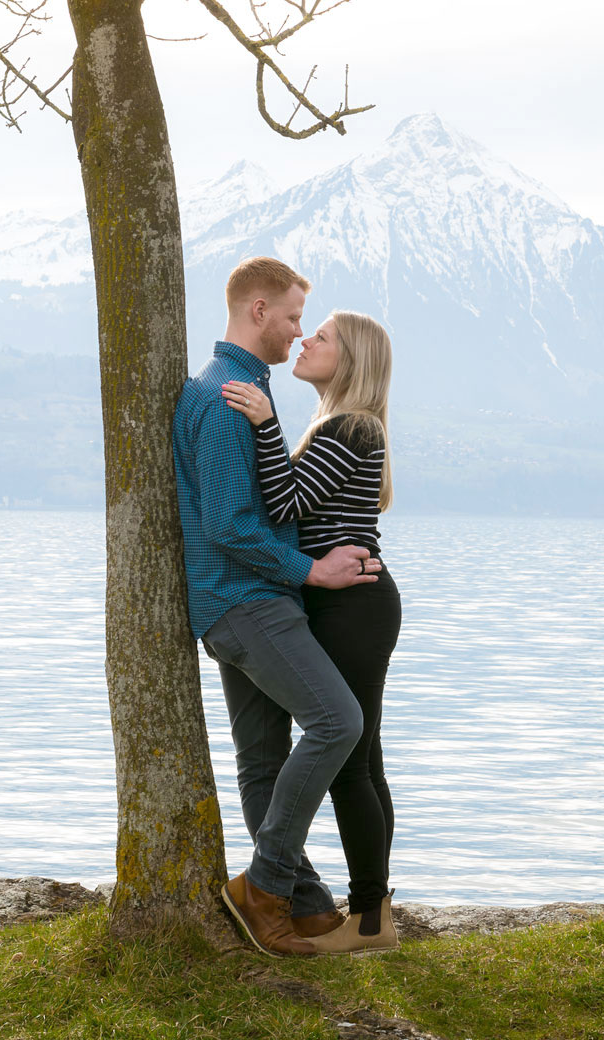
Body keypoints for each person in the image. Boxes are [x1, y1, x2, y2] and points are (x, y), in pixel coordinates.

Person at [170, 256, 382, 958]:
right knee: (337, 721)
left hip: (238, 604)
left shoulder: (244, 390)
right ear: (258, 311)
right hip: (248, 602)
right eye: (292, 316)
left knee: (262, 761)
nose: (297, 333)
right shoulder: (229, 394)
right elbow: (233, 525)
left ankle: (304, 904)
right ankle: (263, 888)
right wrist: (311, 571)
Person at [222, 309, 401, 953]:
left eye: (320, 337)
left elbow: (285, 503)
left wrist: (265, 427)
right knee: (363, 757)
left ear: (348, 361)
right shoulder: (341, 425)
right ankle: (372, 910)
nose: (304, 339)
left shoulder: (348, 427)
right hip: (350, 602)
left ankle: (370, 917)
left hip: (352, 606)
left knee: (352, 760)